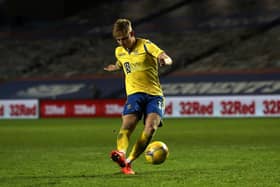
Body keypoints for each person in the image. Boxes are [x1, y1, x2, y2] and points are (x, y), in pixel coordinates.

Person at [104, 18, 173, 175]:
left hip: (154, 95)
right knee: (128, 124)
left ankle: (128, 162)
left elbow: (166, 57)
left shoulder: (146, 45)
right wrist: (115, 67)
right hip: (134, 94)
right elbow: (122, 63)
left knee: (150, 128)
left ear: (132, 33)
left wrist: (164, 60)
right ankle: (121, 153)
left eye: (124, 38)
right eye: (118, 40)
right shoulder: (119, 51)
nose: (122, 42)